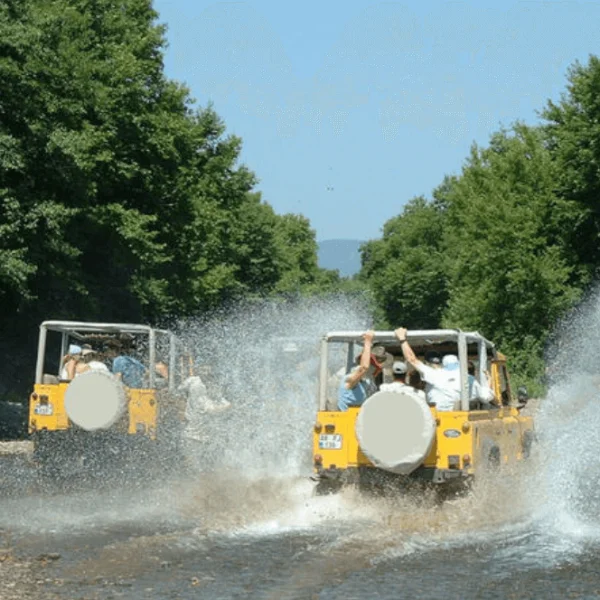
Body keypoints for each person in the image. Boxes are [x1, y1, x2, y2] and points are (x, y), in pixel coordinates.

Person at [395, 328, 493, 411]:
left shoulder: (435, 375)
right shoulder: (469, 379)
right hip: (459, 418)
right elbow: (486, 397)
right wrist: (488, 382)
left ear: (443, 365)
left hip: (437, 417)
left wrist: (402, 339)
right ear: (459, 364)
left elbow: (412, 359)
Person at [337, 330, 382, 411]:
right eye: (371, 366)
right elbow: (363, 368)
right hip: (346, 419)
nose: (372, 370)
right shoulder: (349, 380)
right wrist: (367, 341)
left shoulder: (366, 382)